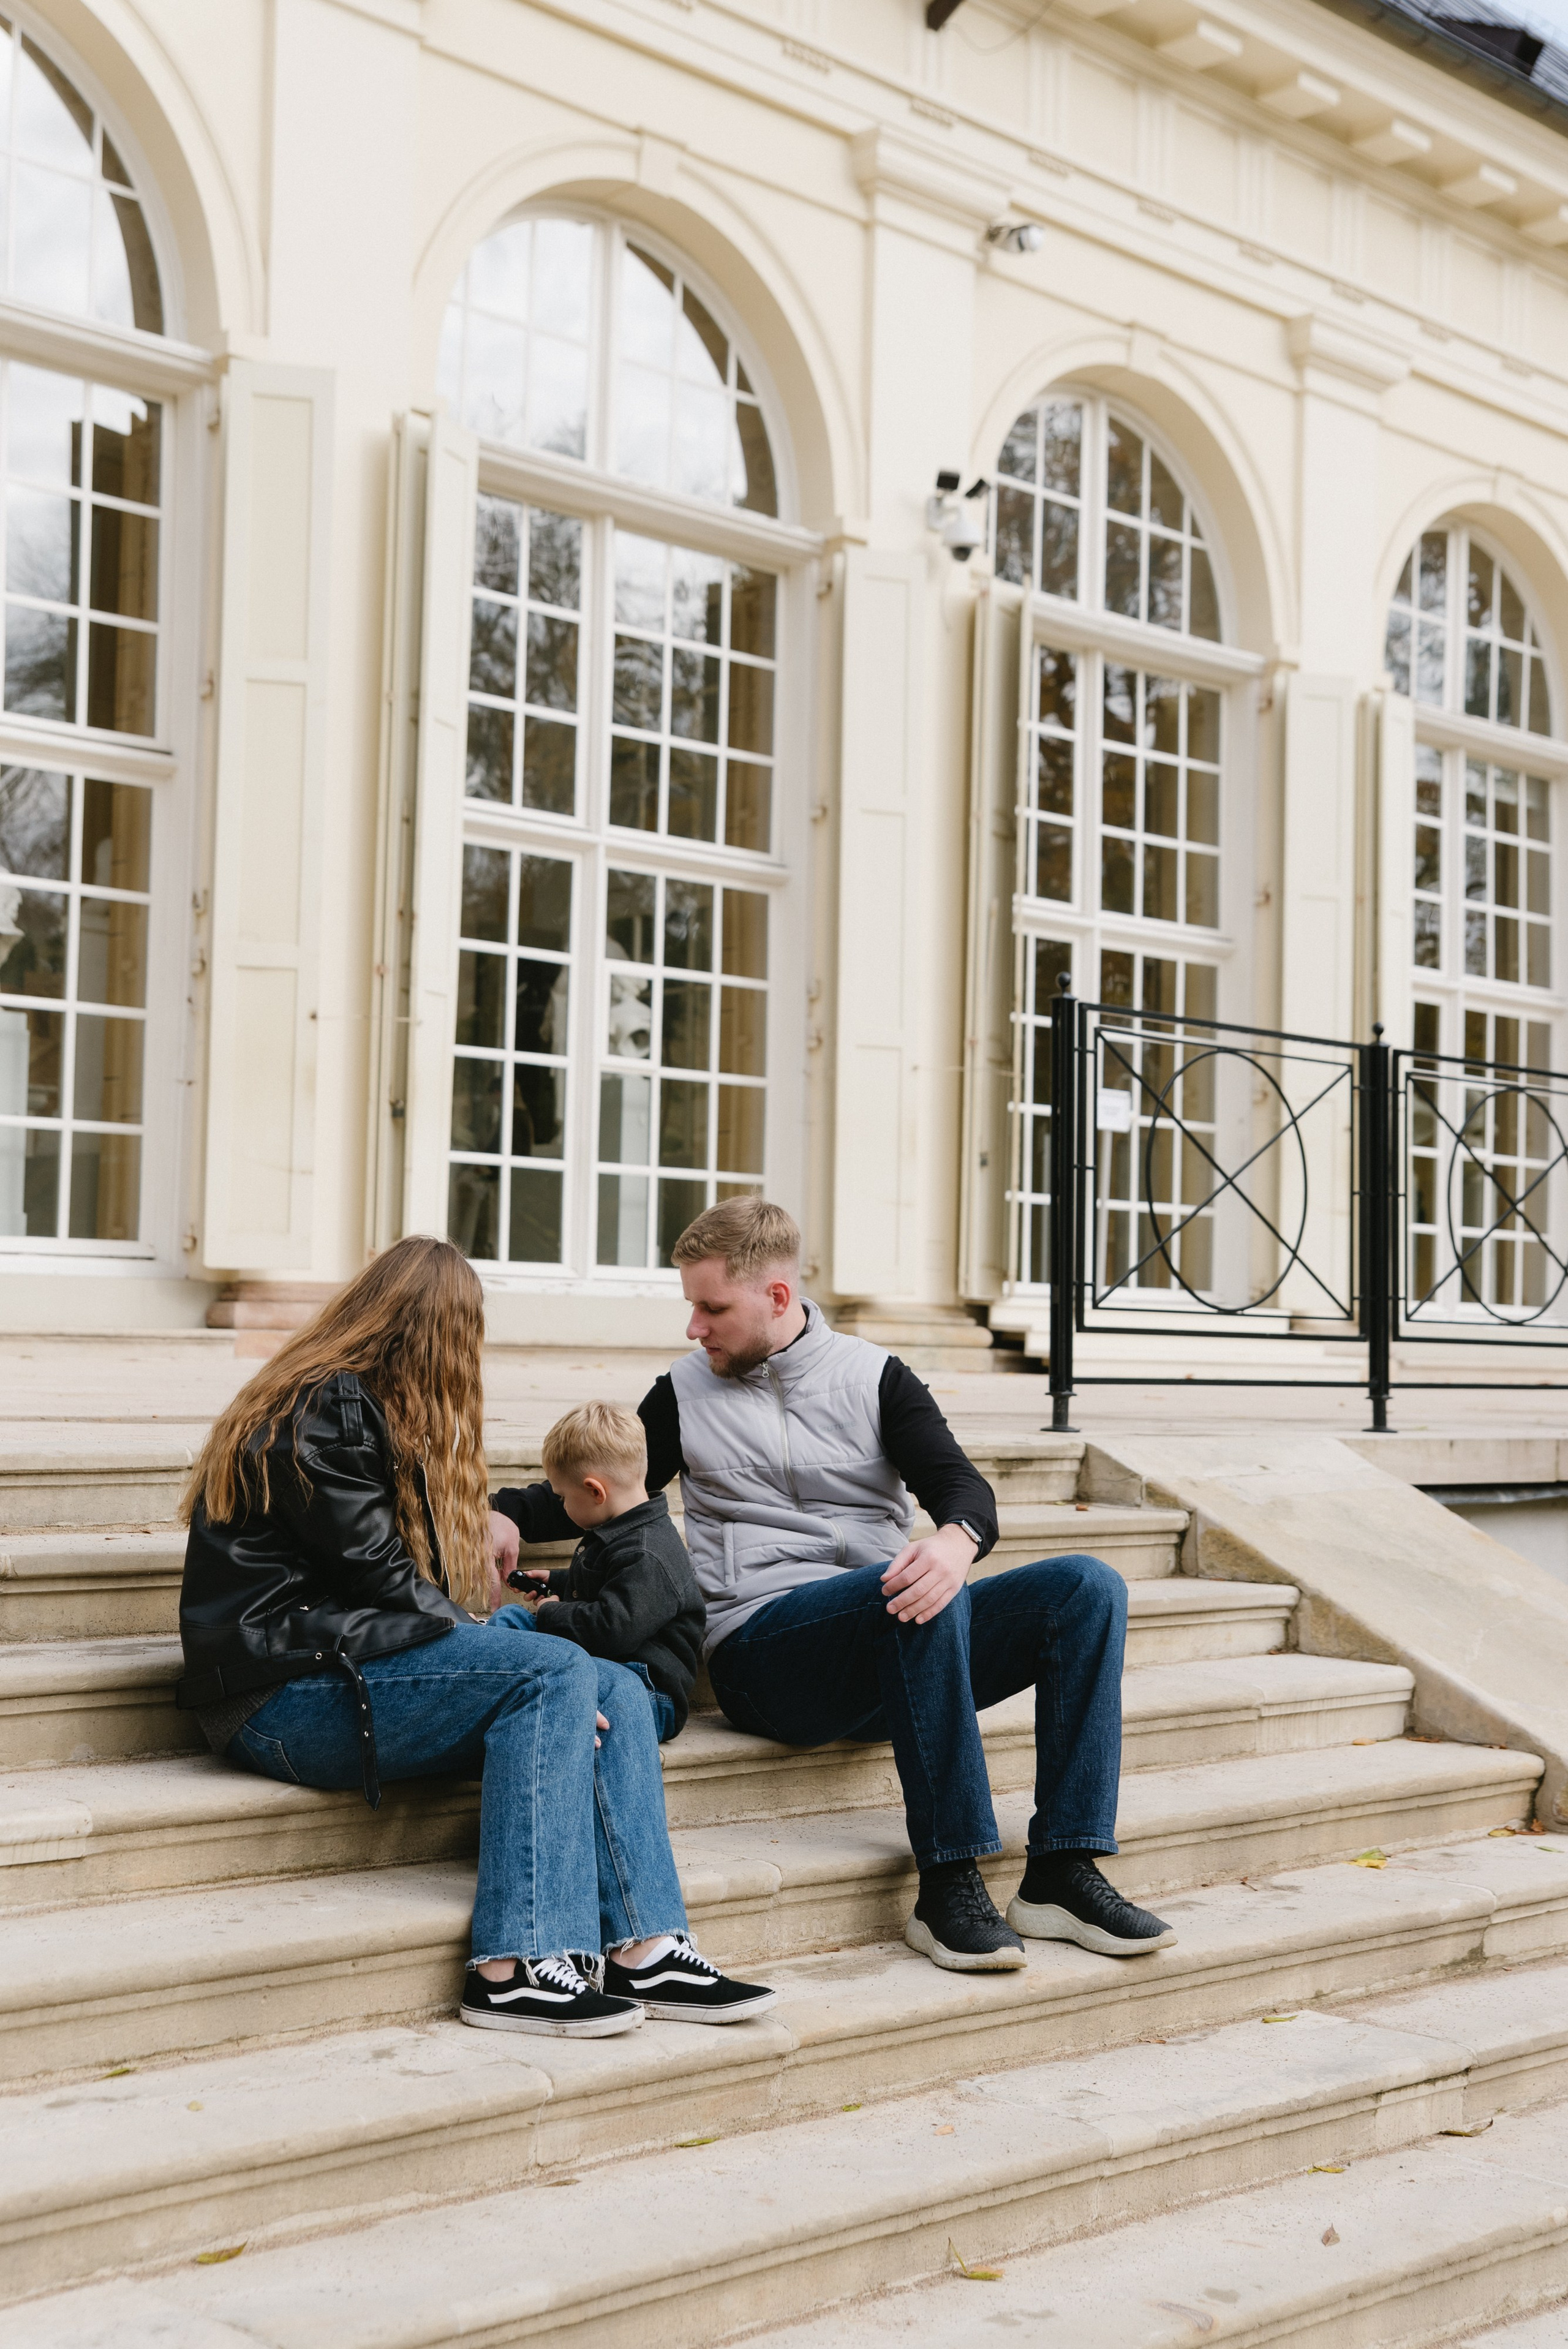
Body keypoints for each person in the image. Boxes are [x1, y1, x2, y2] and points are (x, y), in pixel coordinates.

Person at [492, 1200, 1175, 1975]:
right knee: (908, 1592)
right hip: (765, 1654)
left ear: (777, 1297)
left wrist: (955, 1544)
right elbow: (590, 1489)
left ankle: (1062, 1868)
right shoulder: (682, 1394)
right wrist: (498, 1510)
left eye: (711, 1307)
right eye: (691, 1306)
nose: (694, 1327)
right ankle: (948, 1881)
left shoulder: (873, 1377)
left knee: (1085, 1588)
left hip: (896, 1636)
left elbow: (962, 1489)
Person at [175, 1235, 774, 2037]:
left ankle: (646, 1943)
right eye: (467, 1334)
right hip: (279, 1694)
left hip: (339, 1663)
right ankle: (516, 1964)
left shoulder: (360, 1404)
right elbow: (383, 1582)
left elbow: (392, 1588)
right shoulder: (327, 1407)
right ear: (433, 1332)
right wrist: (507, 1652)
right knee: (558, 1668)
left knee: (618, 1680)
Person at [494, 1401, 704, 1744]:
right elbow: (610, 1585)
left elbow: (613, 1627)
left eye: (562, 1497)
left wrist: (553, 1612)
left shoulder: (647, 1552)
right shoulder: (622, 1529)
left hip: (648, 1693)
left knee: (532, 1636)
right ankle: (487, 1674)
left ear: (595, 1491)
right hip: (611, 1665)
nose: (560, 1505)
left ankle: (507, 1693)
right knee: (514, 1620)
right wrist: (559, 1580)